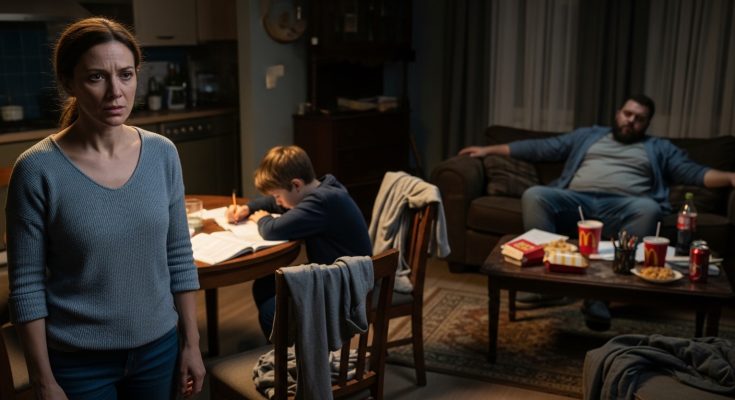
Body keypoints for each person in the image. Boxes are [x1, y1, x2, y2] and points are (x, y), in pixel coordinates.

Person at [5, 18, 205, 399]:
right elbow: (26, 286)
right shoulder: (36, 169)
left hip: (159, 350)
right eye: (96, 77)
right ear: (69, 83)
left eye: (126, 75)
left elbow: (179, 255)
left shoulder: (163, 153)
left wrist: (191, 344)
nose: (116, 92)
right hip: (78, 363)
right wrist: (43, 380)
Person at [459, 94, 735, 330]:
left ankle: (600, 297)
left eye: (639, 118)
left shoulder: (659, 147)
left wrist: (730, 177)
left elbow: (694, 173)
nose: (631, 121)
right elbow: (542, 148)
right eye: (627, 114)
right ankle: (545, 286)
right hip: (577, 202)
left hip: (624, 206)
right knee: (535, 194)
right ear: (618, 113)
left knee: (649, 208)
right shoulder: (589, 136)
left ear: (647, 124)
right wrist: (488, 149)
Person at [226, 145, 372, 338]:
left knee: (272, 311)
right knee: (265, 285)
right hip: (335, 273)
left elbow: (272, 230)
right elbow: (272, 203)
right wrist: (248, 208)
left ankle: (296, 351)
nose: (277, 201)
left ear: (296, 185)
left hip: (345, 286)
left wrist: (261, 218)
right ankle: (293, 342)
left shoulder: (321, 202)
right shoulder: (324, 188)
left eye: (278, 196)